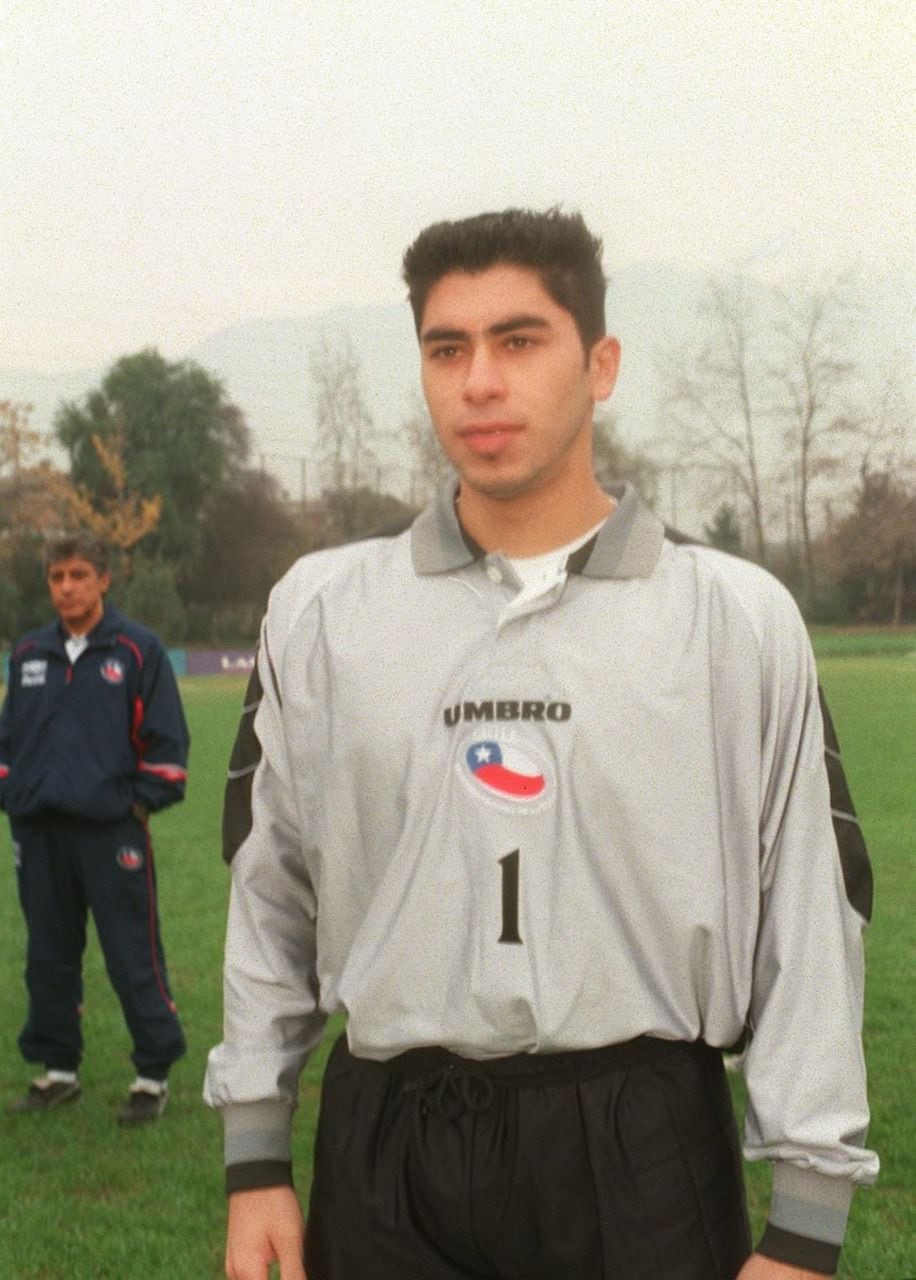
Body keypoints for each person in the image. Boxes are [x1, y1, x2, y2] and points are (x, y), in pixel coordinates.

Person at [204, 209, 877, 1279]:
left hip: (637, 1148)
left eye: (518, 341)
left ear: (599, 363)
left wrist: (803, 1224)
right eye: (446, 347)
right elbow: (269, 890)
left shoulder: (733, 617)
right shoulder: (321, 611)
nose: (479, 380)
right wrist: (254, 1160)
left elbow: (810, 905)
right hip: (387, 1148)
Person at [1, 533, 188, 1125]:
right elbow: (9, 742)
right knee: (48, 955)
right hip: (40, 834)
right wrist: (14, 794)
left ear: (104, 580)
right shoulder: (29, 653)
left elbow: (168, 745)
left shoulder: (137, 650)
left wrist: (136, 805)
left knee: (132, 953)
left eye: (79, 575)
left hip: (111, 834)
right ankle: (57, 1071)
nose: (67, 588)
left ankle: (152, 1075)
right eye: (57, 577)